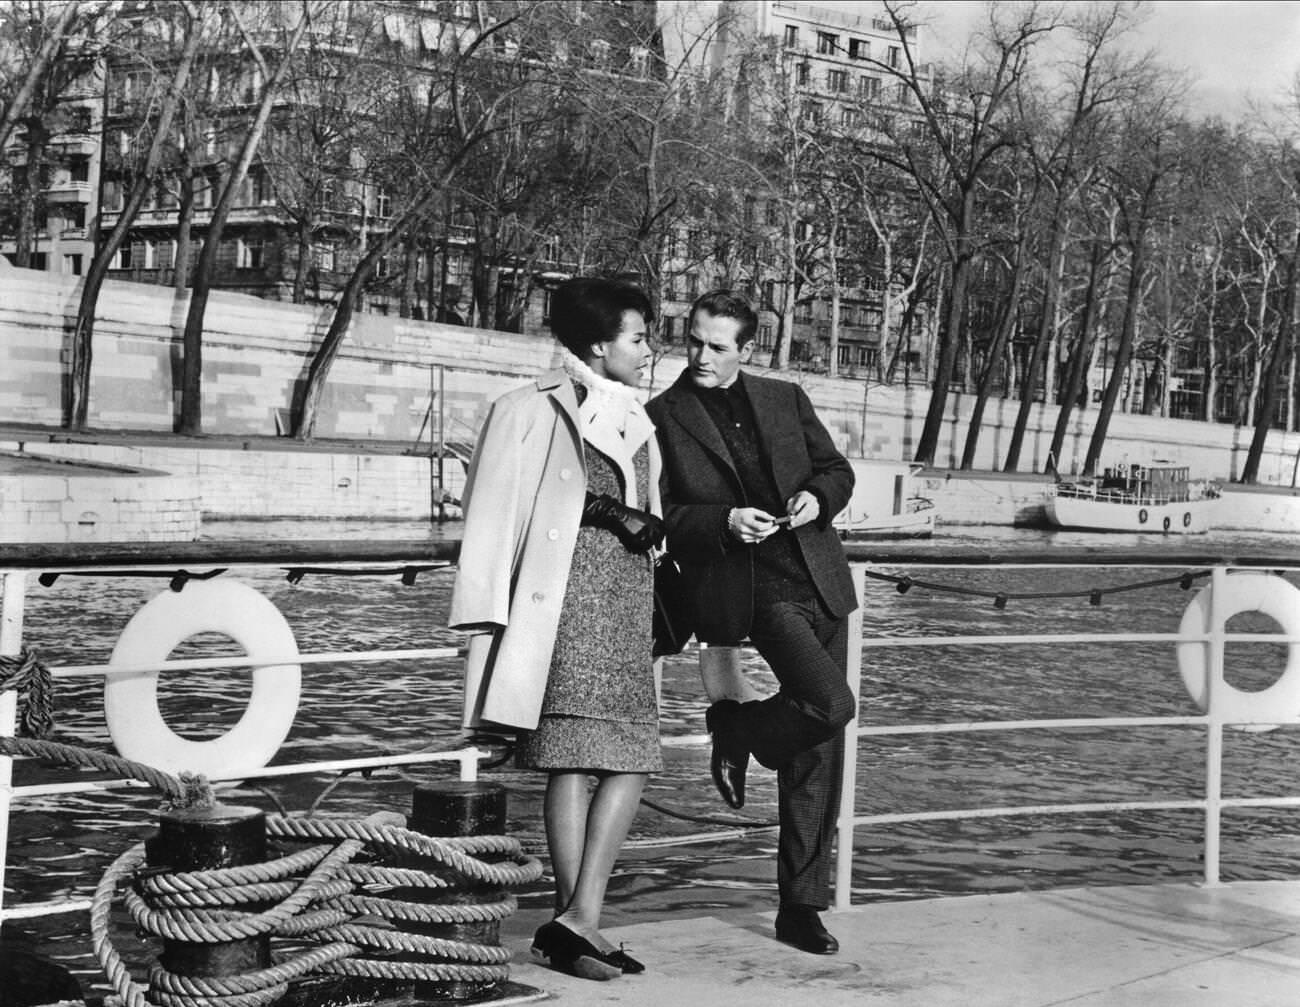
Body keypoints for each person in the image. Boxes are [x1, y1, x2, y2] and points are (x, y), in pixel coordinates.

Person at [448, 277, 664, 981]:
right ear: (599, 345)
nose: (649, 348)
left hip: (625, 602)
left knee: (627, 752)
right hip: (563, 607)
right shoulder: (529, 408)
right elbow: (491, 521)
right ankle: (579, 921)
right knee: (576, 753)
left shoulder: (639, 416)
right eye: (638, 336)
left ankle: (577, 922)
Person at [646, 289, 858, 956]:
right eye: (694, 340)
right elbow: (664, 514)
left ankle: (800, 905)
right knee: (830, 702)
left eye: (716, 346)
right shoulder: (662, 415)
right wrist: (724, 522)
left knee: (819, 745)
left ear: (747, 349)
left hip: (819, 574)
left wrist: (814, 498)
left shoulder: (785, 397)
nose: (701, 356)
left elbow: (837, 471)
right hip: (752, 589)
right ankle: (736, 727)